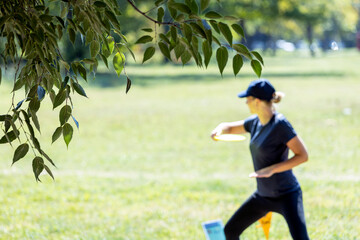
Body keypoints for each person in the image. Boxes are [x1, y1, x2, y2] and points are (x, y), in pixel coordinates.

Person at [211, 79, 310, 240]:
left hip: (287, 194)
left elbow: (303, 155)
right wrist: (219, 130)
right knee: (229, 232)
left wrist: (272, 169)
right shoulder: (255, 122)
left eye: (247, 100)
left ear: (257, 101)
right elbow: (228, 127)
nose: (246, 103)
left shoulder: (280, 125)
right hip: (263, 195)